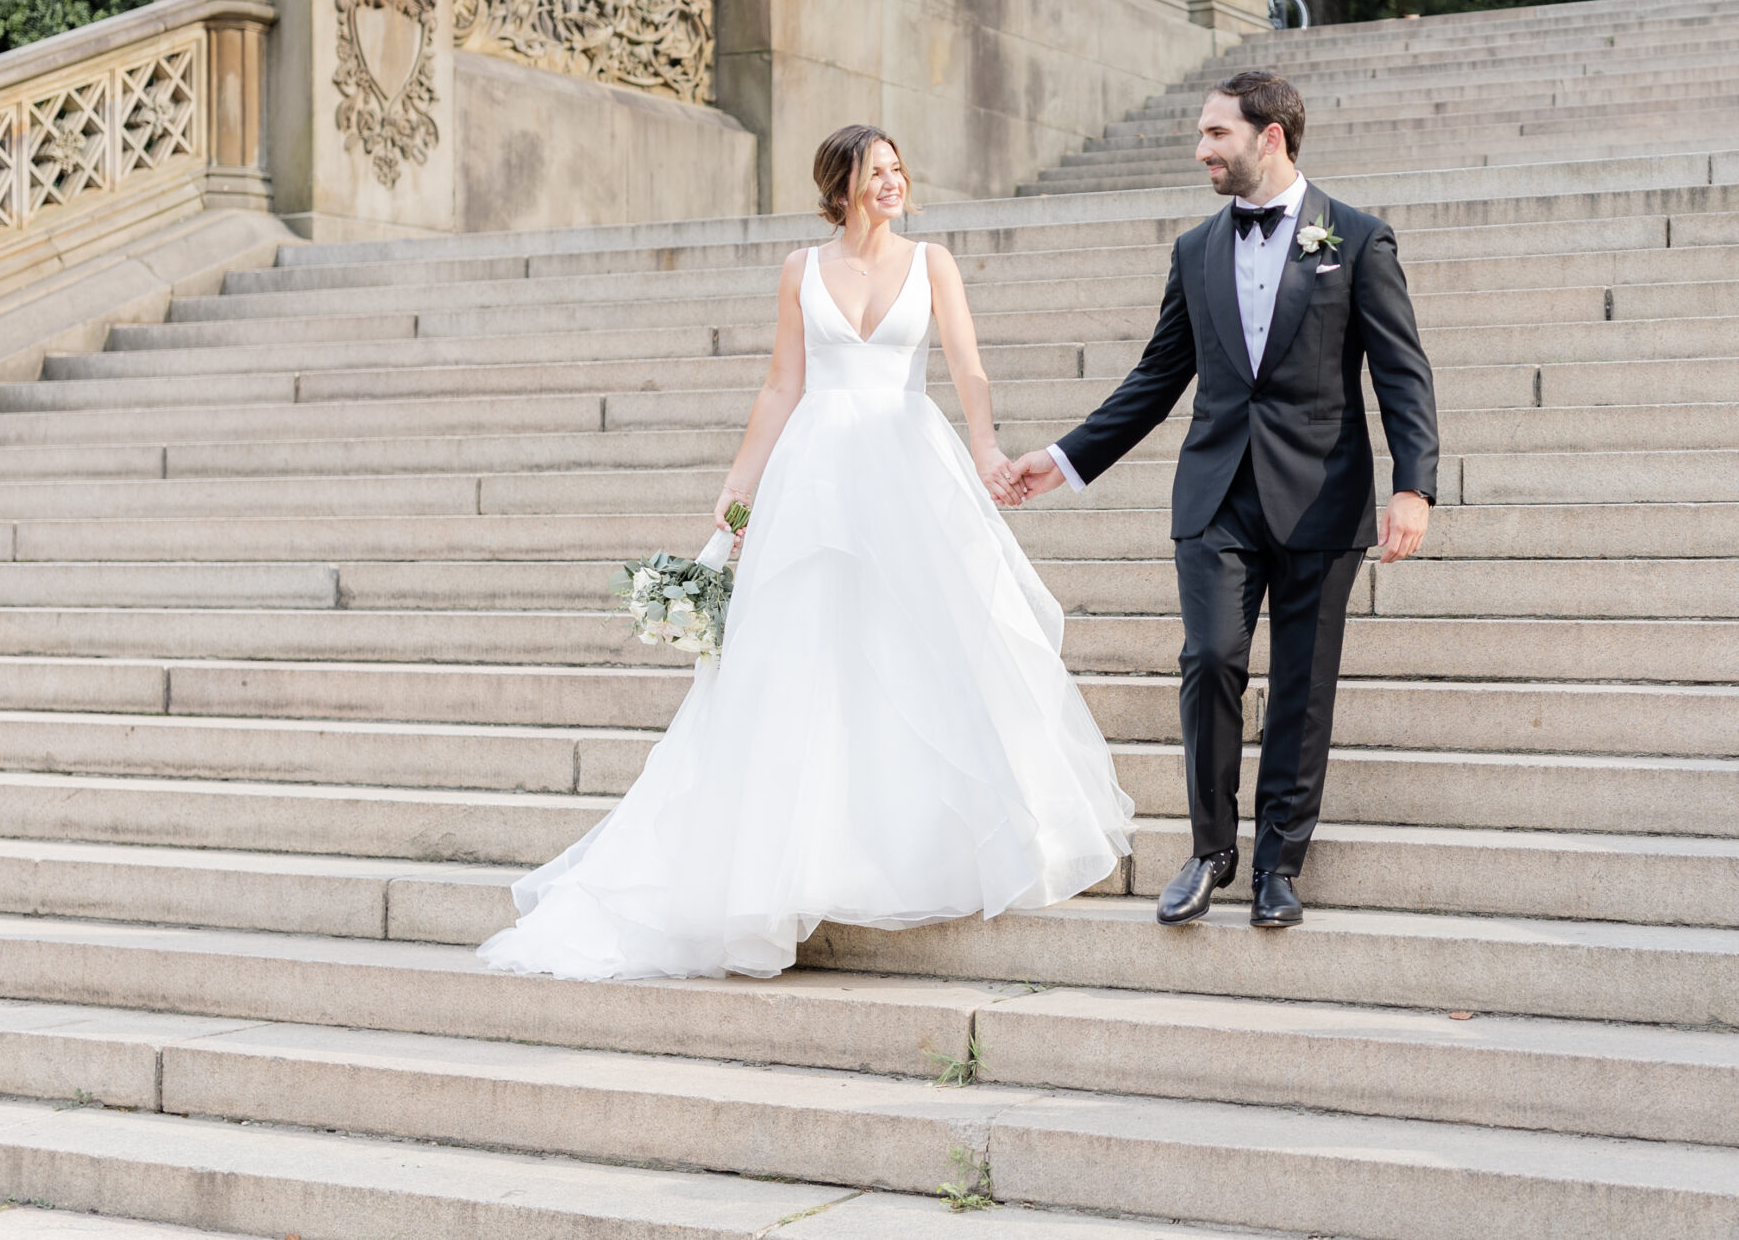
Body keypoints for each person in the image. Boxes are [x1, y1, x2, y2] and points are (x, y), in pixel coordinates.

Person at [479, 125, 1134, 981]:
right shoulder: (801, 269)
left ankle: (924, 841)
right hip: (816, 476)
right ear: (842, 185)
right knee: (806, 654)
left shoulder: (933, 262)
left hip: (908, 463)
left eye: (900, 168)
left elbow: (968, 369)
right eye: (876, 172)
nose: (893, 183)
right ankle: (790, 857)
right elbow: (782, 382)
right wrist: (738, 486)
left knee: (921, 646)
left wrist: (984, 454)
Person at [1002, 70, 1439, 930]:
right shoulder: (1196, 248)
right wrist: (1065, 458)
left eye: (1215, 134)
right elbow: (1157, 376)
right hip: (1216, 497)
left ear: (1269, 136)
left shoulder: (1354, 238)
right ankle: (1210, 849)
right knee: (1209, 658)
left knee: (1304, 685)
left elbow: (1401, 371)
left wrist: (1414, 484)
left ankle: (1279, 861)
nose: (1201, 149)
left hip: (1322, 496)